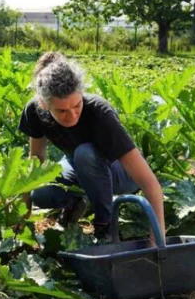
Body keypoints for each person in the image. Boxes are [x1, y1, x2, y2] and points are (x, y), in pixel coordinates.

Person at [18, 52, 165, 242]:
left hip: (122, 174)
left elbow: (148, 181)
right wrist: (23, 212)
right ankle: (76, 204)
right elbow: (36, 160)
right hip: (78, 167)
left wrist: (158, 239)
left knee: (84, 153)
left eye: (77, 105)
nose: (71, 115)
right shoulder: (34, 111)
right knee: (41, 193)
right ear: (44, 104)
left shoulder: (100, 112)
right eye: (62, 111)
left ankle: (104, 225)